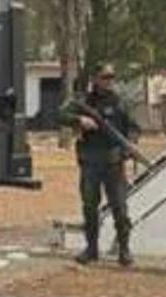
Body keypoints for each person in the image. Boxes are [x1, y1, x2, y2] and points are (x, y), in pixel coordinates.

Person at [59, 64, 140, 266]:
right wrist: (80, 120)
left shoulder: (121, 102)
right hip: (90, 163)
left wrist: (130, 143)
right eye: (105, 77)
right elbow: (60, 115)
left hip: (113, 164)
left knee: (120, 208)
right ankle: (91, 249)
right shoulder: (85, 101)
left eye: (112, 76)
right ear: (95, 79)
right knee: (89, 208)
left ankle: (124, 250)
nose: (109, 80)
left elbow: (134, 128)